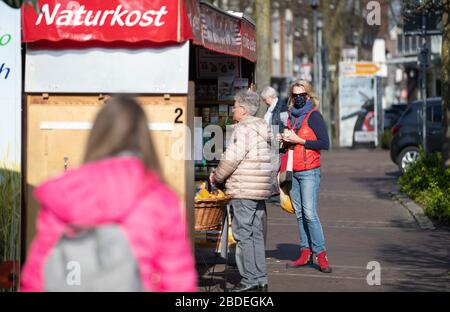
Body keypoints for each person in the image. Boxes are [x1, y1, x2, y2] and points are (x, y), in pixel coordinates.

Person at [21, 95, 197, 292]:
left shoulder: (66, 192)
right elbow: (178, 280)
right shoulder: (160, 197)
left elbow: (37, 274)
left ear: (97, 137)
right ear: (145, 139)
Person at [210, 90, 272, 292]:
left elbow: (231, 159)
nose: (232, 109)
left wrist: (217, 177)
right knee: (254, 234)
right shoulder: (262, 127)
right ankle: (260, 278)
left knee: (243, 235)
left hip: (244, 188)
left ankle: (249, 280)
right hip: (258, 188)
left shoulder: (243, 129)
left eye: (235, 106)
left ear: (243, 110)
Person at [279, 80, 332, 273]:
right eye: (295, 96)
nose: (298, 99)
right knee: (299, 213)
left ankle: (321, 254)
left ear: (308, 96)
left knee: (310, 213)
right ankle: (305, 251)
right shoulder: (291, 118)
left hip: (310, 170)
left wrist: (299, 139)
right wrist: (285, 141)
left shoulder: (314, 116)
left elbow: (324, 143)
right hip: (294, 169)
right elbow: (291, 145)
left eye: (302, 95)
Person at [260, 86, 288, 201]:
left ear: (270, 97)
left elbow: (286, 124)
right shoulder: (271, 108)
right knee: (271, 165)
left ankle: (275, 193)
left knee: (274, 166)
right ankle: (272, 192)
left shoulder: (281, 106)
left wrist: (282, 137)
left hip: (277, 138)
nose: (264, 101)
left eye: (265, 99)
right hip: (271, 138)